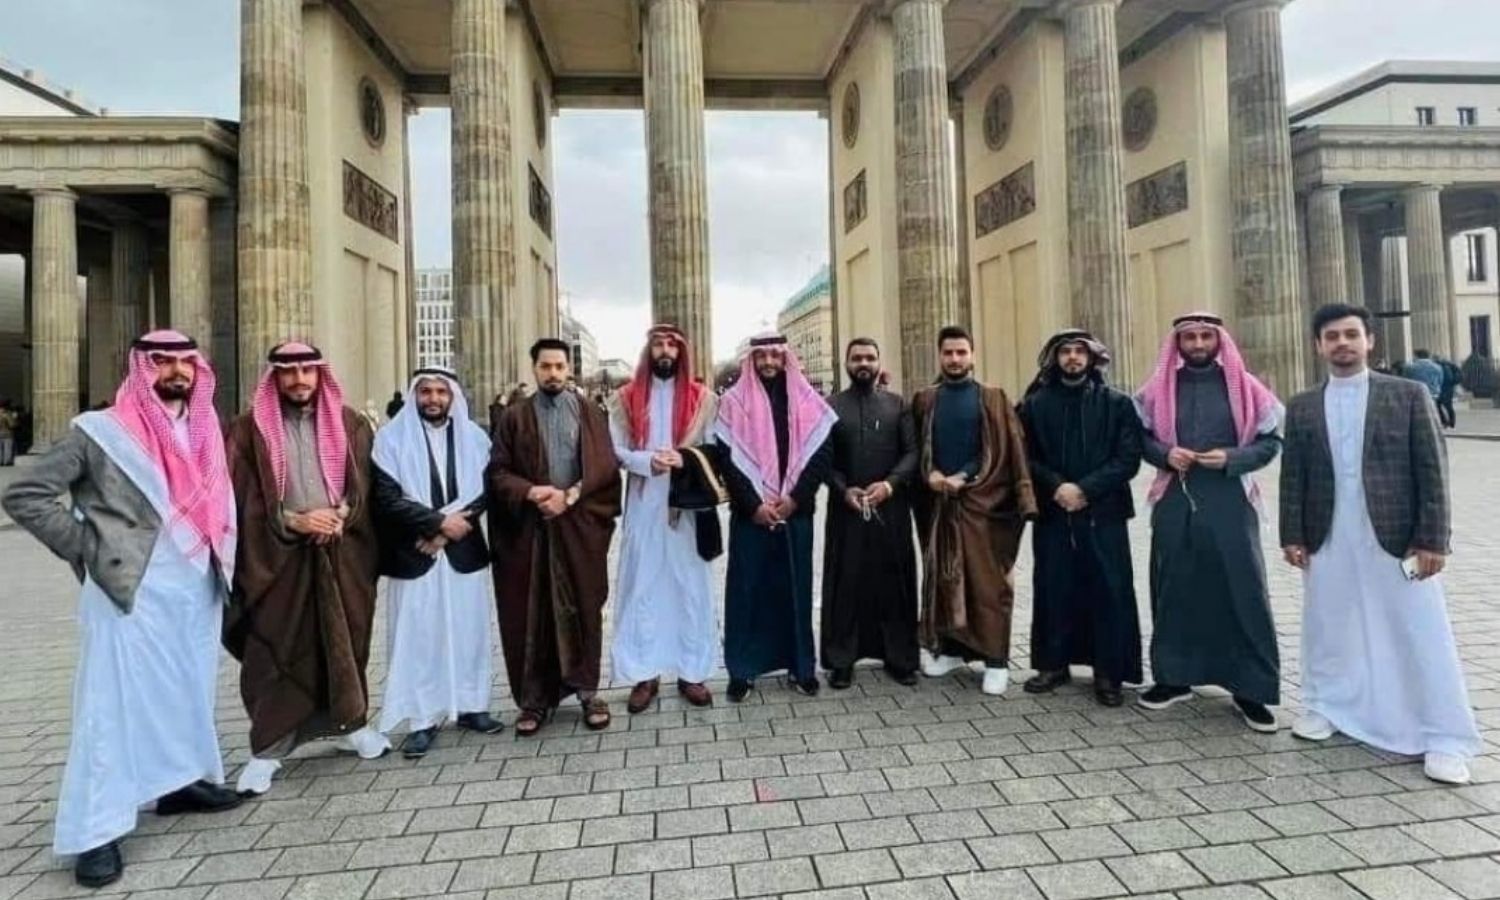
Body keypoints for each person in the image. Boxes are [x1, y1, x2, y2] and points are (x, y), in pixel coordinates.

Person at [2, 331, 241, 888]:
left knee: (187, 689)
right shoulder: (99, 432)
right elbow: (24, 495)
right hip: (127, 592)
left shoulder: (203, 427)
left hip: (195, 585)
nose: (176, 371)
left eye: (186, 361)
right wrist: (88, 548)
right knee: (109, 707)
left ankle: (180, 782)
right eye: (163, 362)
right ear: (141, 368)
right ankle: (97, 830)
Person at [1281, 303, 1481, 785]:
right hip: (1329, 534)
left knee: (1417, 629)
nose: (1343, 343)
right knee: (1330, 627)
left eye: (1352, 334)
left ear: (1370, 341)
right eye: (1332, 336)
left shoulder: (1408, 394)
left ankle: (1443, 736)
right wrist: (1293, 535)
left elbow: (1433, 472)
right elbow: (1293, 478)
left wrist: (1433, 540)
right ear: (1319, 345)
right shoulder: (1303, 404)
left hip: (1395, 536)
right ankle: (1326, 706)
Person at [225, 342, 389, 796]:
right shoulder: (247, 431)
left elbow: (368, 488)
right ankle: (267, 749)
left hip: (342, 553)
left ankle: (351, 723)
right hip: (277, 559)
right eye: (288, 373)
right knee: (274, 650)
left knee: (346, 641)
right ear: (274, 378)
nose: (299, 381)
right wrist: (294, 520)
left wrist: (342, 513)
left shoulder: (351, 424)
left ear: (321, 375)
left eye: (307, 372)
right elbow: (241, 499)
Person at [1134, 312, 1282, 732]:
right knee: (1174, 586)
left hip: (1230, 497)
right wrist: (1165, 453)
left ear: (1218, 341)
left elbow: (1271, 442)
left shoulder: (1248, 388)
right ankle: (1173, 678)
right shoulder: (1158, 390)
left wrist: (1232, 458)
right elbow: (1139, 438)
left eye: (1204, 337)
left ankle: (1250, 688)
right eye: (1189, 338)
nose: (1197, 344)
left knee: (1243, 586)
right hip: (1175, 498)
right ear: (1177, 345)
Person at [488, 339, 621, 736]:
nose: (553, 374)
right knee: (531, 613)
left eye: (559, 367)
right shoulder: (513, 418)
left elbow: (606, 468)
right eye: (545, 367)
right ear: (534, 369)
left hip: (578, 528)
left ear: (569, 370)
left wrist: (571, 495)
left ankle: (587, 691)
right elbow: (497, 473)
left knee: (583, 608)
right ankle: (534, 701)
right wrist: (532, 493)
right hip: (531, 531)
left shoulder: (589, 413)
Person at [372, 367, 503, 759]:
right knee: (418, 635)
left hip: (461, 550)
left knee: (469, 632)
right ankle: (422, 719)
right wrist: (435, 523)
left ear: (452, 397)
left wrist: (446, 531)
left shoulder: (475, 437)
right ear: (414, 395)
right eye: (425, 392)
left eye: (440, 392)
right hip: (415, 551)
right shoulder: (390, 439)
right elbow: (386, 497)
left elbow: (486, 490)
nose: (433, 399)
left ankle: (471, 706)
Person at [1017, 330, 1143, 707]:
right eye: (1065, 352)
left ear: (1092, 359)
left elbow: (1128, 459)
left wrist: (1085, 489)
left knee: (1108, 589)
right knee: (1054, 586)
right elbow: (1025, 455)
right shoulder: (1034, 405)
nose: (1072, 358)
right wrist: (1057, 487)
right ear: (1055, 359)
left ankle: (1109, 672)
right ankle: (1053, 665)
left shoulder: (1117, 404)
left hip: (1104, 513)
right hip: (1054, 512)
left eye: (1079, 352)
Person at [912, 326, 1036, 696]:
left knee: (988, 584)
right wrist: (930, 474)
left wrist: (964, 476)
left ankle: (996, 661)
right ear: (940, 356)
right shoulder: (924, 401)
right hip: (939, 505)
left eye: (961, 352)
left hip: (985, 507)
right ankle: (951, 651)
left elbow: (1004, 450)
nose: (954, 359)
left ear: (973, 355)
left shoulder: (994, 399)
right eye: (948, 353)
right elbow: (915, 447)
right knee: (945, 580)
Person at [715, 333, 835, 701]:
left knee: (796, 591)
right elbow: (726, 459)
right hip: (751, 516)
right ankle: (742, 670)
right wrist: (754, 505)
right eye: (761, 356)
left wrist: (795, 500)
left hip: (794, 513)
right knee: (747, 591)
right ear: (751, 360)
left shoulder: (808, 402)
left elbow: (822, 454)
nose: (768, 362)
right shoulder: (733, 404)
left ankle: (802, 668)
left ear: (786, 359)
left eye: (775, 355)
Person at [607, 325, 720, 713]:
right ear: (648, 351)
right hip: (644, 504)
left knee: (690, 587)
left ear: (681, 352)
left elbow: (715, 449)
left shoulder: (704, 399)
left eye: (672, 344)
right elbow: (615, 449)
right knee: (644, 587)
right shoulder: (624, 398)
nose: (665, 350)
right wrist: (646, 461)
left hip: (686, 509)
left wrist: (684, 458)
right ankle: (645, 674)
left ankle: (692, 672)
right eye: (658, 344)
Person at [821, 337, 920, 689]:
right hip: (847, 511)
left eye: (869, 357)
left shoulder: (898, 405)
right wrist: (842, 489)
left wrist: (890, 485)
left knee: (894, 583)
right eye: (857, 358)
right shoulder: (830, 406)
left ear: (879, 362)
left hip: (890, 510)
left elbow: (912, 453)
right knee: (846, 584)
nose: (863, 363)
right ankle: (842, 660)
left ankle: (900, 658)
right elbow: (824, 461)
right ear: (847, 364)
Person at [1436, 353, 1461, 429]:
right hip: (1448, 389)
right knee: (1447, 406)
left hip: (1444, 389)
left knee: (1440, 405)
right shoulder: (1450, 365)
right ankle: (1450, 422)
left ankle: (1446, 421)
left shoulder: (1444, 366)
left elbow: (1448, 378)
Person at [0, 399, 16, 466]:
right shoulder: (7, 414)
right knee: (8, 448)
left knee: (0, 449)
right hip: (7, 434)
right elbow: (12, 424)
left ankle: (1, 461)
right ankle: (7, 461)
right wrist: (14, 418)